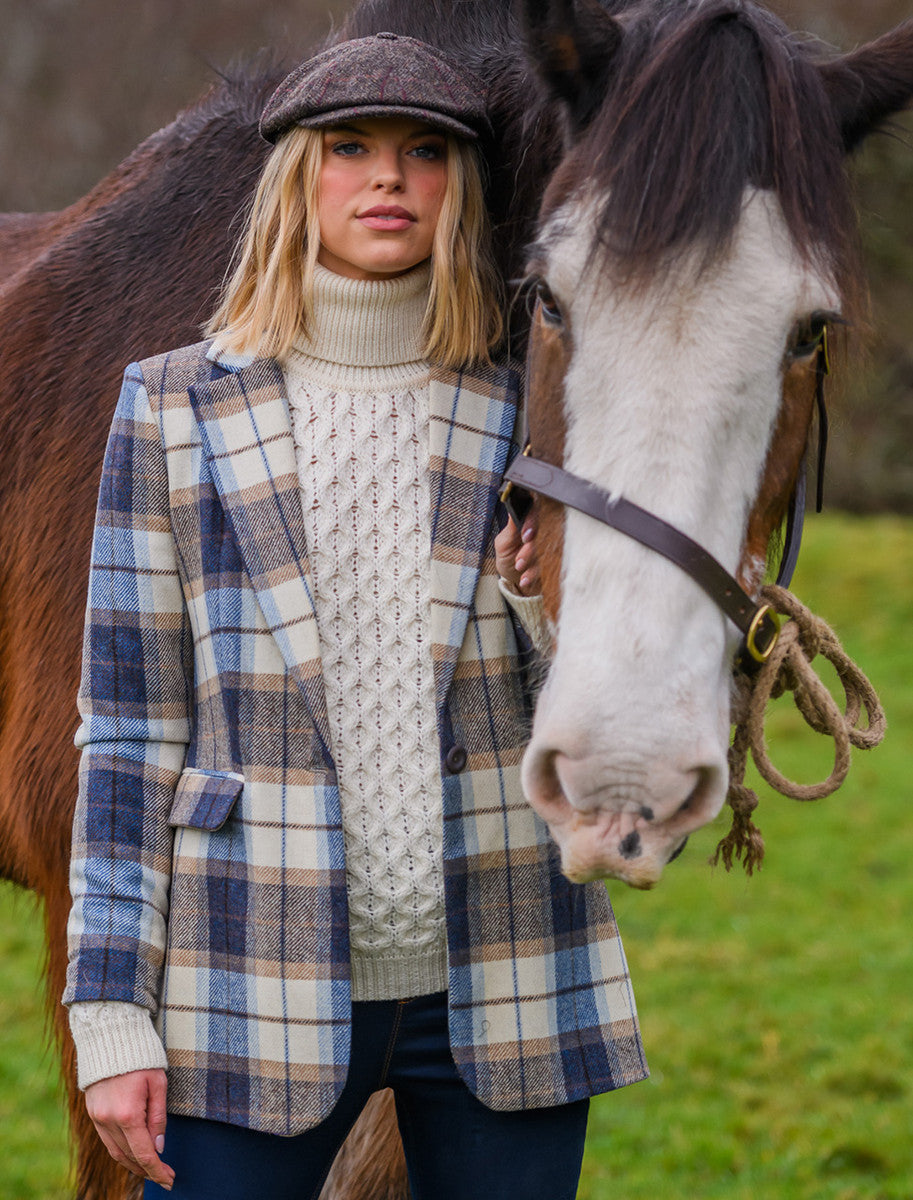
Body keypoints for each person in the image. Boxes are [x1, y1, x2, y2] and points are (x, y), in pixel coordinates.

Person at [63, 33, 647, 1200]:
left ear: (459, 186)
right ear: (298, 177)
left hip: (508, 980)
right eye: (351, 148)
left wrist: (535, 605)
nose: (388, 176)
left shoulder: (528, 410)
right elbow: (127, 734)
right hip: (243, 989)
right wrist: (111, 1011)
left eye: (423, 151)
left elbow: (604, 699)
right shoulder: (171, 408)